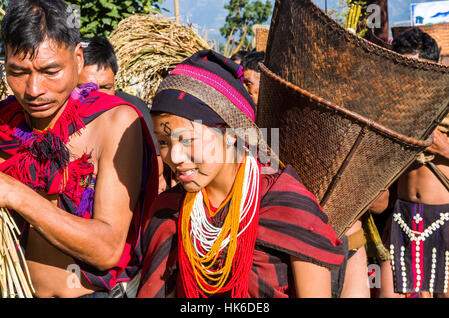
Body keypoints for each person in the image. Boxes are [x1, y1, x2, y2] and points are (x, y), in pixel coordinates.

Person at [136, 50, 346, 298]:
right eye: (163, 142)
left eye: (187, 140)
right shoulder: (168, 212)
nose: (176, 156)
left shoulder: (285, 205)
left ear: (231, 133)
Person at [0, 0, 158, 298]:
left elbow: (107, 249)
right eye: (17, 72)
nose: (33, 89)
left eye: (50, 70)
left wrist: (17, 194)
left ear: (78, 58)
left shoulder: (115, 122)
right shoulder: (5, 123)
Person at [379, 28, 449, 298]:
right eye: (403, 68)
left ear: (434, 66)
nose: (410, 77)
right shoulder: (390, 108)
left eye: (417, 67)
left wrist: (444, 146)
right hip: (403, 217)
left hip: (445, 217)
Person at [78, 36, 167, 194]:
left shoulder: (132, 110)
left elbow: (157, 166)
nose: (98, 97)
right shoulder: (57, 117)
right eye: (86, 88)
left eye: (106, 87)